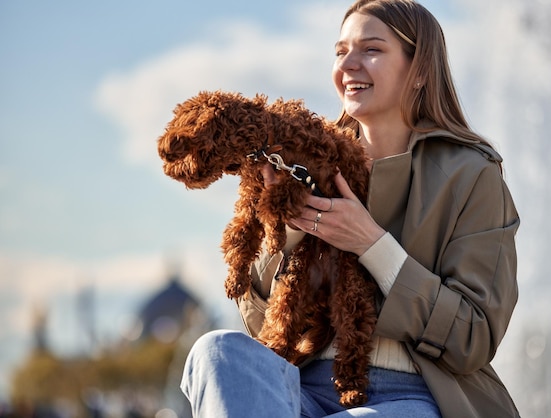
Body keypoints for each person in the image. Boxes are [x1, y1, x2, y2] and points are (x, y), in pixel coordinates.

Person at [180, 0, 520, 417]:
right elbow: (260, 323)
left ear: (420, 71)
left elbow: (475, 335)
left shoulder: (472, 174)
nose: (349, 65)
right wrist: (287, 227)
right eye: (341, 51)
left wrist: (373, 244)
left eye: (371, 50)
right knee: (215, 351)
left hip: (415, 394)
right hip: (298, 387)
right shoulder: (303, 159)